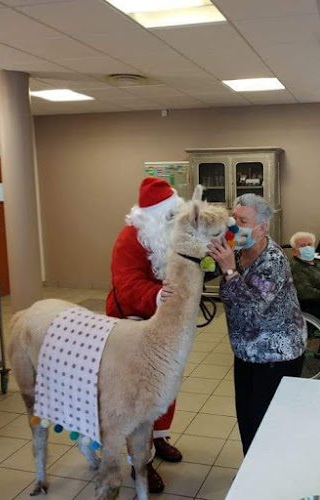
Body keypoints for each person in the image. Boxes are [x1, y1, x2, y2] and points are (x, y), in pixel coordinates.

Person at [208, 194, 307, 455]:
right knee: (248, 420)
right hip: (247, 352)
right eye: (233, 218)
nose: (234, 225)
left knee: (266, 425)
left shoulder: (272, 260)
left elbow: (252, 308)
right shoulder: (240, 250)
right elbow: (217, 281)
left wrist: (229, 271)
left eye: (242, 220)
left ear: (262, 227)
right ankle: (250, 474)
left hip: (275, 355)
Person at [106, 177, 184, 492]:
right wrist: (158, 294)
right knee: (140, 395)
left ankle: (160, 438)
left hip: (164, 324)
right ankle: (142, 459)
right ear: (152, 216)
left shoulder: (170, 235)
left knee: (168, 383)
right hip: (131, 322)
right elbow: (125, 284)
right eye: (171, 216)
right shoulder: (129, 239)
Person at [290, 231, 320, 323]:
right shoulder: (296, 268)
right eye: (303, 245)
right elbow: (306, 292)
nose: (307, 248)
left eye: (310, 245)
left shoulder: (318, 262)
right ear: (294, 251)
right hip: (316, 304)